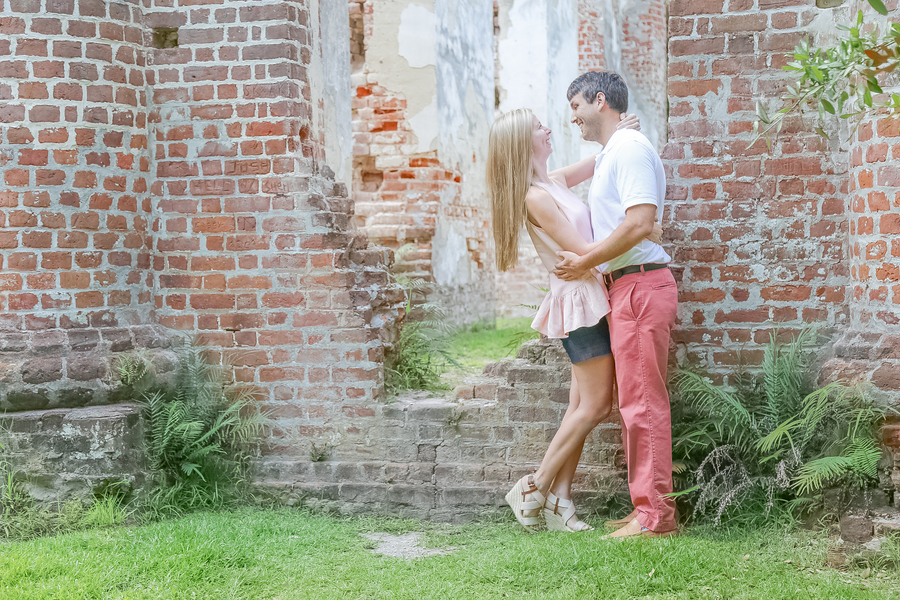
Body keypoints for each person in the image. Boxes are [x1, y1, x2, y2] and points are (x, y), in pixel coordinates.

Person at [486, 108, 660, 532]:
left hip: (589, 296)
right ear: (523, 143)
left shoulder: (554, 181)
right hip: (581, 302)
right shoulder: (536, 197)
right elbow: (585, 253)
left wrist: (622, 130)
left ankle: (560, 502)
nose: (549, 129)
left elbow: (602, 158)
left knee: (579, 406)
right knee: (597, 405)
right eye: (539, 126)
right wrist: (644, 234)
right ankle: (534, 486)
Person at [554, 71, 678, 539]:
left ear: (599, 100)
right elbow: (550, 180)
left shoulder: (628, 150)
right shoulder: (616, 151)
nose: (573, 118)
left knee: (643, 404)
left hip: (640, 288)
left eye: (576, 107)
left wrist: (586, 259)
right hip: (626, 288)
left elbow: (641, 222)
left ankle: (655, 519)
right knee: (634, 404)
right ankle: (645, 507)